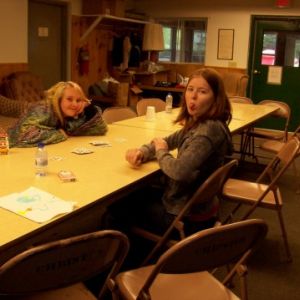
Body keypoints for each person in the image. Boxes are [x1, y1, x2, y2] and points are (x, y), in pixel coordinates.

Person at [103, 67, 233, 239]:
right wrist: (143, 151)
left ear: (216, 98)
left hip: (183, 214)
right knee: (134, 194)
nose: (193, 96)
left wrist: (161, 151)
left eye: (202, 92)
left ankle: (121, 259)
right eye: (190, 89)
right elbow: (168, 140)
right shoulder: (200, 123)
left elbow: (179, 171)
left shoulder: (207, 131)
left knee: (115, 206)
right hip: (193, 203)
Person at [8, 81, 108, 147]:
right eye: (69, 99)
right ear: (58, 99)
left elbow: (101, 128)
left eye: (78, 100)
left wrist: (88, 109)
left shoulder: (72, 115)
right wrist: (60, 133)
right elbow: (26, 134)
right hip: (10, 150)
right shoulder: (43, 108)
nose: (75, 104)